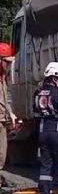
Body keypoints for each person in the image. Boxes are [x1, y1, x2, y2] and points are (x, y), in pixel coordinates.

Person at [33, 62, 58, 194]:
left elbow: (36, 115)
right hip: (57, 131)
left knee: (45, 165)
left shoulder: (38, 93)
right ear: (54, 78)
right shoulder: (57, 93)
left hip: (43, 130)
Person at [0, 42, 16, 185]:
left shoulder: (3, 78)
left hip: (2, 120)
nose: (9, 65)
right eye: (6, 61)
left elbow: (5, 99)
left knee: (2, 155)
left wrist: (10, 113)